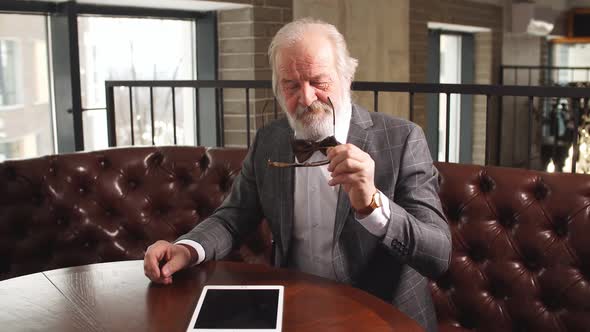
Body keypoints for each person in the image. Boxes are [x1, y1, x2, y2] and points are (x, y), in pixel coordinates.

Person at [144, 18, 451, 332]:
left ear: (347, 78)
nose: (306, 98)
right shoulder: (269, 140)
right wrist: (186, 249)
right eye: (291, 85)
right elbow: (233, 216)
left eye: (319, 81)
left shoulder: (403, 139)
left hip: (385, 317)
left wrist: (373, 205)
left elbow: (438, 255)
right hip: (296, 311)